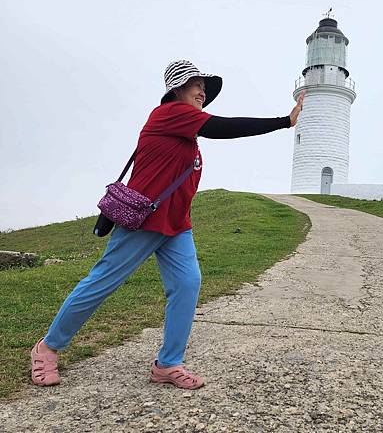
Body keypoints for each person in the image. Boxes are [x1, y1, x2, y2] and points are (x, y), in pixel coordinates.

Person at [31, 59, 304, 390]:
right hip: (144, 222)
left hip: (176, 226)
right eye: (196, 84)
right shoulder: (169, 114)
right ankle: (47, 348)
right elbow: (223, 127)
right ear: (177, 88)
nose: (203, 90)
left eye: (205, 86)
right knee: (101, 282)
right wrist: (283, 122)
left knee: (188, 284)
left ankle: (168, 364)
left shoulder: (186, 131)